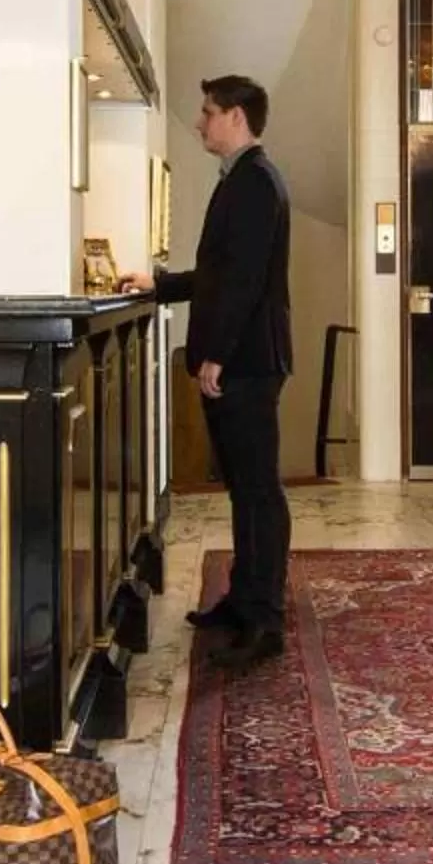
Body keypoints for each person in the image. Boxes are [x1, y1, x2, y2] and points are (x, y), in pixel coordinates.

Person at [121, 74, 294, 669]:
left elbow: (244, 281)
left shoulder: (255, 182)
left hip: (247, 362)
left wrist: (218, 352)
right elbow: (219, 274)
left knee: (258, 491)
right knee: (243, 489)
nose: (200, 122)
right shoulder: (241, 179)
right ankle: (243, 602)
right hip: (239, 359)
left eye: (208, 112)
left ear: (236, 116)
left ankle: (265, 620)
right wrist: (159, 284)